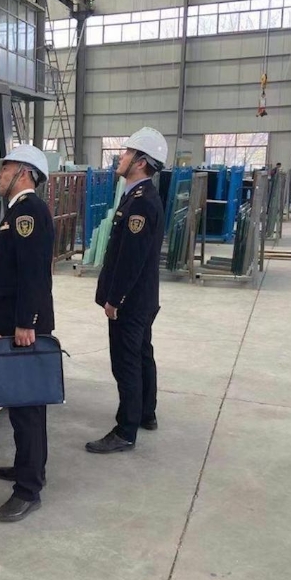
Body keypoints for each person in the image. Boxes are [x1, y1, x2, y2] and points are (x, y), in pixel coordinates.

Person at [0, 144, 55, 522]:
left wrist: (27, 321)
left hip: (21, 326)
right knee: (20, 404)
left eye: (6, 167)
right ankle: (27, 465)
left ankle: (29, 489)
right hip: (13, 323)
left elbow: (33, 272)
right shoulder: (16, 211)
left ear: (24, 173)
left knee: (27, 409)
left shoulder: (28, 212)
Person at [86, 127, 167, 454]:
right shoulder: (137, 195)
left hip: (130, 301)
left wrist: (115, 299)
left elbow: (131, 259)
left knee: (126, 362)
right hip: (142, 298)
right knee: (142, 353)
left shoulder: (141, 202)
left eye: (128, 152)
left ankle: (125, 430)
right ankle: (146, 413)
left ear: (141, 162)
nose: (121, 157)